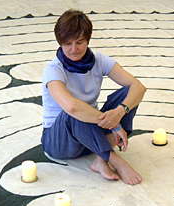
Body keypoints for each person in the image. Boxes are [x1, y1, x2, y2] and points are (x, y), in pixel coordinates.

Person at [41, 9, 146, 185]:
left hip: (89, 135)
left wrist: (120, 112)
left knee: (128, 93)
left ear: (88, 40)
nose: (74, 49)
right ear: (60, 43)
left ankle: (99, 159)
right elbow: (72, 107)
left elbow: (138, 87)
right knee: (74, 109)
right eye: (67, 44)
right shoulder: (53, 70)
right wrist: (114, 124)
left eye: (79, 42)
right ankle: (113, 159)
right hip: (59, 141)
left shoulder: (99, 60)